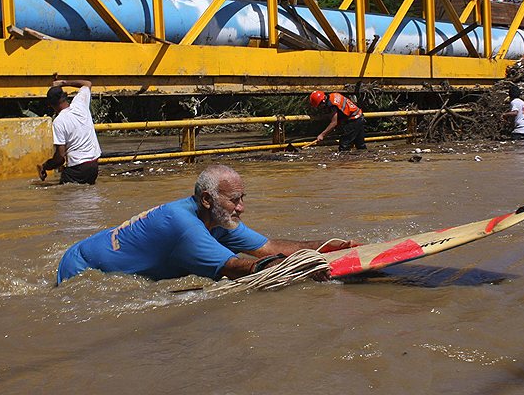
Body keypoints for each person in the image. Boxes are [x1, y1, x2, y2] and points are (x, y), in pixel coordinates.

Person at [56, 165, 358, 284]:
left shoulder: (219, 218)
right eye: (234, 200)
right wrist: (302, 269)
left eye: (242, 198)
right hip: (80, 266)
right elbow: (238, 268)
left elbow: (269, 248)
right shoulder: (184, 226)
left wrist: (332, 247)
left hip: (100, 247)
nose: (241, 207)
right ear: (206, 200)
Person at [38, 79, 102, 184]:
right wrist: (63, 83)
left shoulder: (59, 122)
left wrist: (44, 166)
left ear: (50, 105)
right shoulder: (80, 104)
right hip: (94, 167)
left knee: (62, 197)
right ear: (65, 96)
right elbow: (87, 84)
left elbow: (60, 158)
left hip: (77, 169)